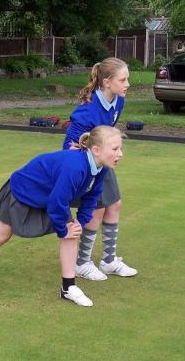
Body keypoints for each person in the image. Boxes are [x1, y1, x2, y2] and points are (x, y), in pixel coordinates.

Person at [0, 126, 124, 307]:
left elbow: (92, 197)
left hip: (48, 196)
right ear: (96, 150)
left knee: (71, 233)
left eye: (120, 148)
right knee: (3, 233)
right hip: (23, 191)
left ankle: (68, 288)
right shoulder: (75, 167)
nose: (120, 154)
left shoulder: (100, 167)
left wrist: (78, 223)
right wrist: (63, 228)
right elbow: (58, 202)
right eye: (115, 149)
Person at [63, 57, 138, 281]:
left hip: (102, 160)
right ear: (107, 82)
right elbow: (70, 143)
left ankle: (108, 261)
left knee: (114, 204)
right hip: (84, 163)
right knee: (96, 209)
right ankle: (82, 263)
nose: (127, 84)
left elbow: (108, 133)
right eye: (123, 79)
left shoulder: (119, 101)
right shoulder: (87, 111)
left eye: (127, 79)